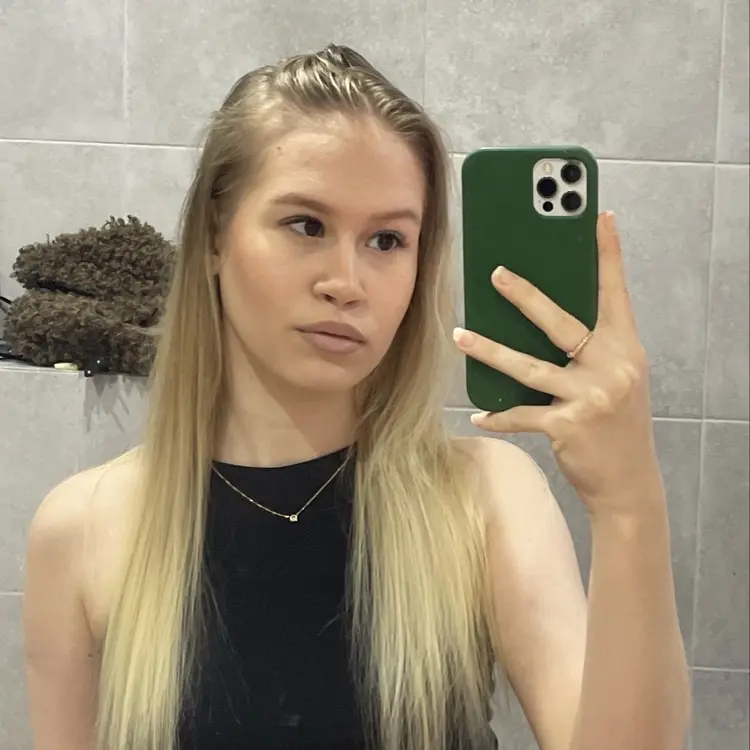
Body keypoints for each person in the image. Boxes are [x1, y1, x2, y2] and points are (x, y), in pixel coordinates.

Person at [21, 45, 690, 750]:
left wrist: (628, 504)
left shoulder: (485, 499)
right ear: (215, 237)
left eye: (387, 239)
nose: (347, 282)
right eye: (306, 225)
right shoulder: (83, 530)